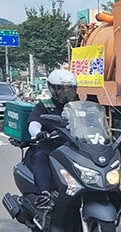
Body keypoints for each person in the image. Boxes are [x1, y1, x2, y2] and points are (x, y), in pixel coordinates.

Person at [27, 69, 77, 208]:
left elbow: (90, 122)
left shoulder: (77, 106)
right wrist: (39, 133)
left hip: (74, 148)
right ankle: (44, 194)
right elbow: (34, 123)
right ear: (53, 89)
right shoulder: (45, 105)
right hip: (51, 147)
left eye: (70, 89)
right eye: (63, 89)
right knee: (40, 156)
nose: (67, 93)